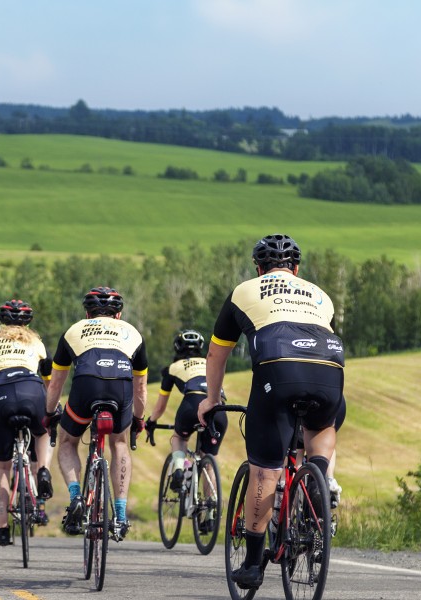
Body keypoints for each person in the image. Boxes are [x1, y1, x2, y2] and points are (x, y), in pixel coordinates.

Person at [198, 233, 345, 590]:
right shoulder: (320, 295)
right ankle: (319, 480)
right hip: (329, 370)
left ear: (259, 268)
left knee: (265, 471)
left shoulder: (244, 291)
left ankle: (251, 563)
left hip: (279, 372)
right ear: (296, 269)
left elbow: (218, 353)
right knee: (322, 427)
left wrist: (211, 399)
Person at [45, 286, 148, 542]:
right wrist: (138, 419)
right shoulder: (133, 333)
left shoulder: (74, 330)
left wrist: (49, 414)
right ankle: (121, 515)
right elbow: (141, 387)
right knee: (120, 444)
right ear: (119, 314)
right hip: (120, 387)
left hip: (86, 385)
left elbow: (56, 383)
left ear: (88, 313)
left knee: (68, 441)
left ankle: (76, 496)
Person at [0, 299, 58, 546]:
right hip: (32, 391)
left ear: (1, 322)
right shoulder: (38, 344)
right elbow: (50, 383)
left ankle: (2, 528)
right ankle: (43, 469)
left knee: (0, 468)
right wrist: (50, 410)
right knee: (43, 431)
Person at [145, 330, 229, 495]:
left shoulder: (173, 368)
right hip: (219, 409)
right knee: (209, 462)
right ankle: (210, 512)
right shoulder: (209, 363)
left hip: (192, 405)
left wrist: (151, 421)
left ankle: (178, 469)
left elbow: (161, 406)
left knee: (180, 437)